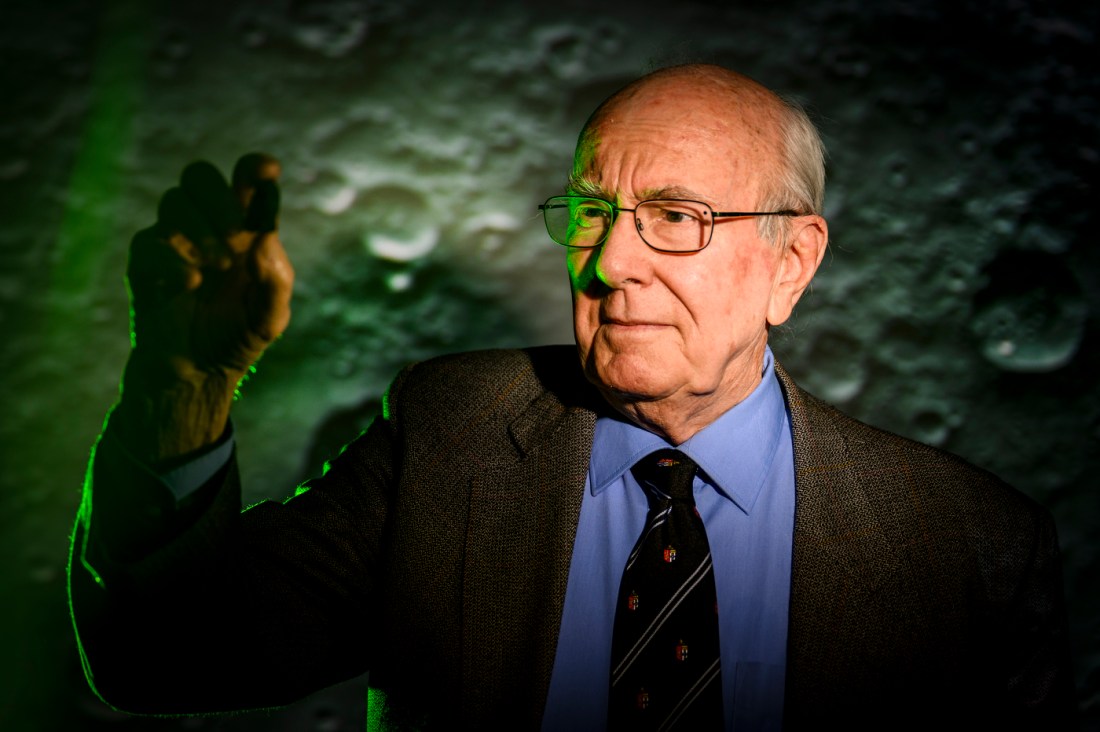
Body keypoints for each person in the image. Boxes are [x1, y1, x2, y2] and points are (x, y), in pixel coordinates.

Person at [69, 64, 1076, 730]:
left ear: (790, 264)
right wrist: (185, 378)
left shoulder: (969, 546)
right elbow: (161, 653)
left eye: (674, 217)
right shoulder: (448, 432)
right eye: (592, 212)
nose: (607, 262)